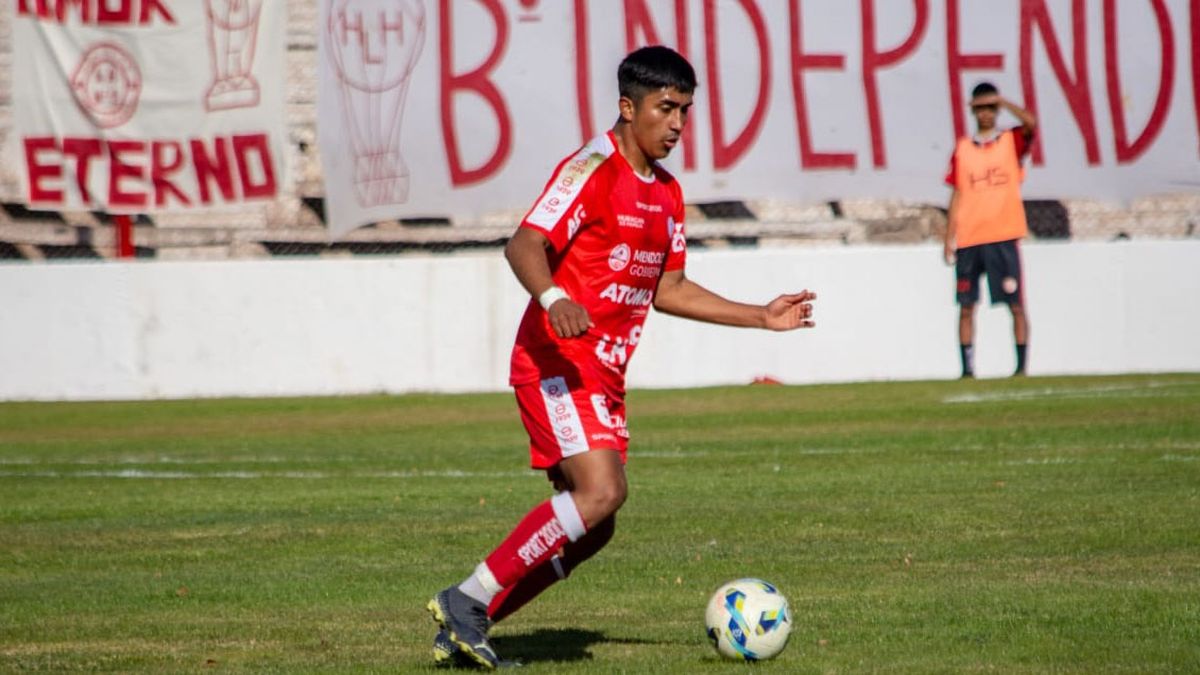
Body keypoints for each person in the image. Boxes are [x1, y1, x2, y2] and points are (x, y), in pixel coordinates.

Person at [425, 45, 817, 669]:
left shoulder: (666, 195)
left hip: (602, 377)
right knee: (602, 492)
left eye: (686, 110)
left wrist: (760, 317)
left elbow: (670, 290)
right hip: (555, 362)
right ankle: (465, 599)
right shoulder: (590, 168)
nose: (678, 124)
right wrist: (553, 297)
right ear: (628, 108)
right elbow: (524, 244)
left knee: (597, 522)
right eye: (666, 109)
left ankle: (470, 620)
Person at [943, 81, 1037, 378]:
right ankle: (967, 370)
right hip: (971, 237)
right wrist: (949, 236)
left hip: (1003, 234)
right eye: (980, 107)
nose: (985, 113)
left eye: (990, 107)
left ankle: (1021, 368)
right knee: (967, 306)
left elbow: (1031, 124)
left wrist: (1004, 100)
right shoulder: (963, 149)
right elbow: (957, 191)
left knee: (1015, 304)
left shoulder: (1010, 141)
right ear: (973, 111)